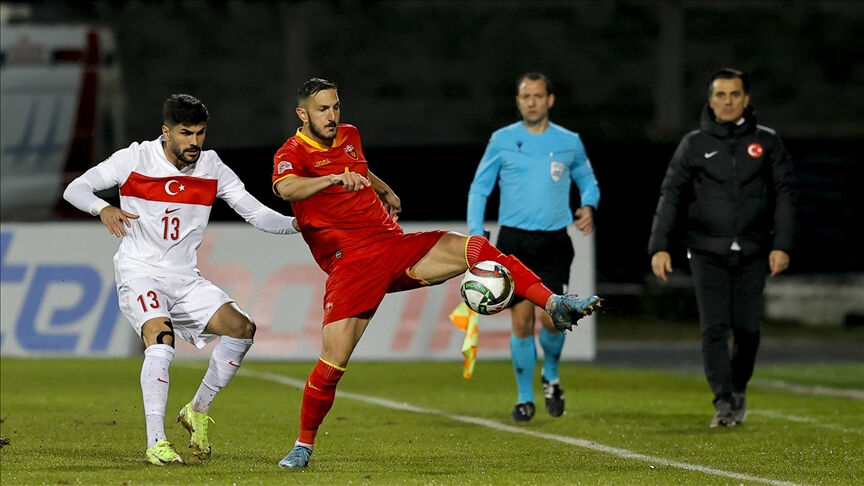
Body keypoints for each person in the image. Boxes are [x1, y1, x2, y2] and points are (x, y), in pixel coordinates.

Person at [271, 78, 602, 469]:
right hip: (351, 262)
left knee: (473, 247)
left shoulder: (349, 135)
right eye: (323, 109)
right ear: (303, 113)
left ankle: (556, 303)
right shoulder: (292, 152)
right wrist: (330, 178)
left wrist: (384, 190)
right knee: (332, 363)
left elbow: (359, 168)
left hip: (392, 244)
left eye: (336, 106)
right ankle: (303, 446)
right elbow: (285, 188)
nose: (332, 116)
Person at [63, 94, 299, 465]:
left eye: (200, 133)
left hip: (185, 278)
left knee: (242, 328)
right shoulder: (134, 158)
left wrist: (298, 224)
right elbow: (75, 189)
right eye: (185, 133)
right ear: (166, 132)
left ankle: (197, 410)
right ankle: (156, 442)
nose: (194, 142)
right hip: (140, 271)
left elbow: (256, 213)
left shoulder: (212, 167)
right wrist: (103, 207)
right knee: (161, 341)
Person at [648, 68, 796, 428]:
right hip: (705, 249)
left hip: (754, 249)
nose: (727, 101)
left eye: (734, 95)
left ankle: (738, 386)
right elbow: (671, 195)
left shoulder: (768, 142)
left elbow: (785, 196)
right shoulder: (693, 144)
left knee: (747, 329)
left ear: (746, 99)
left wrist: (782, 245)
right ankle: (724, 401)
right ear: (710, 100)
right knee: (714, 327)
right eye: (720, 95)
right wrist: (659, 245)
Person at [467, 72, 600, 422]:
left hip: (555, 241)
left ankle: (551, 374)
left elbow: (588, 180)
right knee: (522, 320)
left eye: (538, 96)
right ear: (518, 100)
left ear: (550, 100)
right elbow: (479, 188)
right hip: (514, 242)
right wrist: (476, 234)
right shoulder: (502, 139)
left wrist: (589, 205)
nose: (531, 102)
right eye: (525, 96)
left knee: (553, 319)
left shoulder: (569, 141)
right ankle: (525, 398)